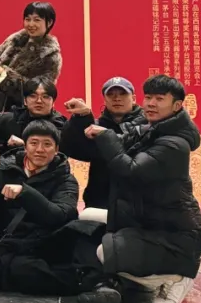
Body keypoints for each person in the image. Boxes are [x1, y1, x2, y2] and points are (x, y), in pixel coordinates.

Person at [79, 75, 201, 303]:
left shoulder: (174, 145)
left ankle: (175, 276)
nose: (151, 104)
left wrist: (106, 136)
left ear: (177, 105)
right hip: (146, 220)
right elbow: (119, 141)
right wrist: (82, 121)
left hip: (172, 234)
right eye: (148, 97)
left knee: (104, 252)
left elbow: (131, 171)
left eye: (160, 99)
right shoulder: (151, 129)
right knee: (85, 219)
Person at [0, 120, 99, 296]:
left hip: (43, 247)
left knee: (86, 229)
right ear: (25, 146)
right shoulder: (4, 171)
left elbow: (60, 215)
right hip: (4, 243)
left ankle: (88, 283)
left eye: (47, 144)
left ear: (56, 149)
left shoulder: (66, 180)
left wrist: (25, 193)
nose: (40, 150)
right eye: (34, 143)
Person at [59, 77, 146, 209]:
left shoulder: (147, 125)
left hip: (139, 202)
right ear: (104, 100)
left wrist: (107, 135)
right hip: (99, 201)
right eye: (111, 94)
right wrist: (81, 117)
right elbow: (72, 149)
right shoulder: (94, 126)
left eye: (123, 93)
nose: (117, 98)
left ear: (133, 98)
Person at [0, 1, 62, 114]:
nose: (31, 24)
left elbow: (40, 91)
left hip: (21, 113)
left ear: (49, 22)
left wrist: (5, 74)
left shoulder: (50, 55)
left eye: (37, 20)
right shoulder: (15, 40)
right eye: (27, 19)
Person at [0, 78, 66, 157]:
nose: (39, 101)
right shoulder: (10, 119)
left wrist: (24, 146)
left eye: (45, 97)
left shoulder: (61, 125)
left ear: (53, 102)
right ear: (25, 101)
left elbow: (60, 155)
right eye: (33, 96)